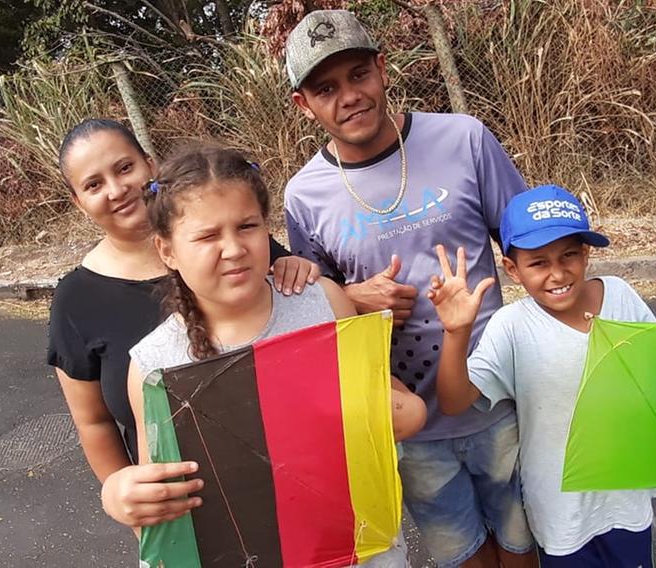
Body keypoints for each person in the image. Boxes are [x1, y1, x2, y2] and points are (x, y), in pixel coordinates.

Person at [282, 10, 536, 567]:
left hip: (500, 401)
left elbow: (530, 249)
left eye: (357, 75)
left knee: (522, 542)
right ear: (304, 104)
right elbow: (310, 308)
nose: (348, 96)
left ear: (382, 68)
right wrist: (352, 296)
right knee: (460, 552)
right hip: (406, 420)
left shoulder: (463, 139)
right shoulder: (304, 196)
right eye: (326, 88)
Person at [117, 144, 427, 565]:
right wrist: (120, 494)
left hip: (361, 552)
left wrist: (397, 412)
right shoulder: (154, 365)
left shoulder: (322, 303)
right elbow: (162, 495)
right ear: (167, 250)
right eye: (208, 235)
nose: (233, 248)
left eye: (247, 226)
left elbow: (402, 410)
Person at [428, 185, 656, 567]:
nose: (557, 273)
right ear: (512, 269)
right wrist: (456, 333)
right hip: (559, 507)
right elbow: (454, 402)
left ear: (586, 254)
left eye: (569, 255)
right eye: (538, 262)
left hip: (625, 492)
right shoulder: (513, 326)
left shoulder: (619, 294)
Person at [46, 119, 321, 527]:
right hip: (190, 511)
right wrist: (122, 495)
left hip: (300, 484)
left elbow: (299, 311)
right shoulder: (76, 300)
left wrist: (301, 271)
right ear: (78, 202)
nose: (117, 190)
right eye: (93, 184)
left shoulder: (234, 247)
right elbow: (94, 421)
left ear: (150, 164)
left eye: (124, 168)